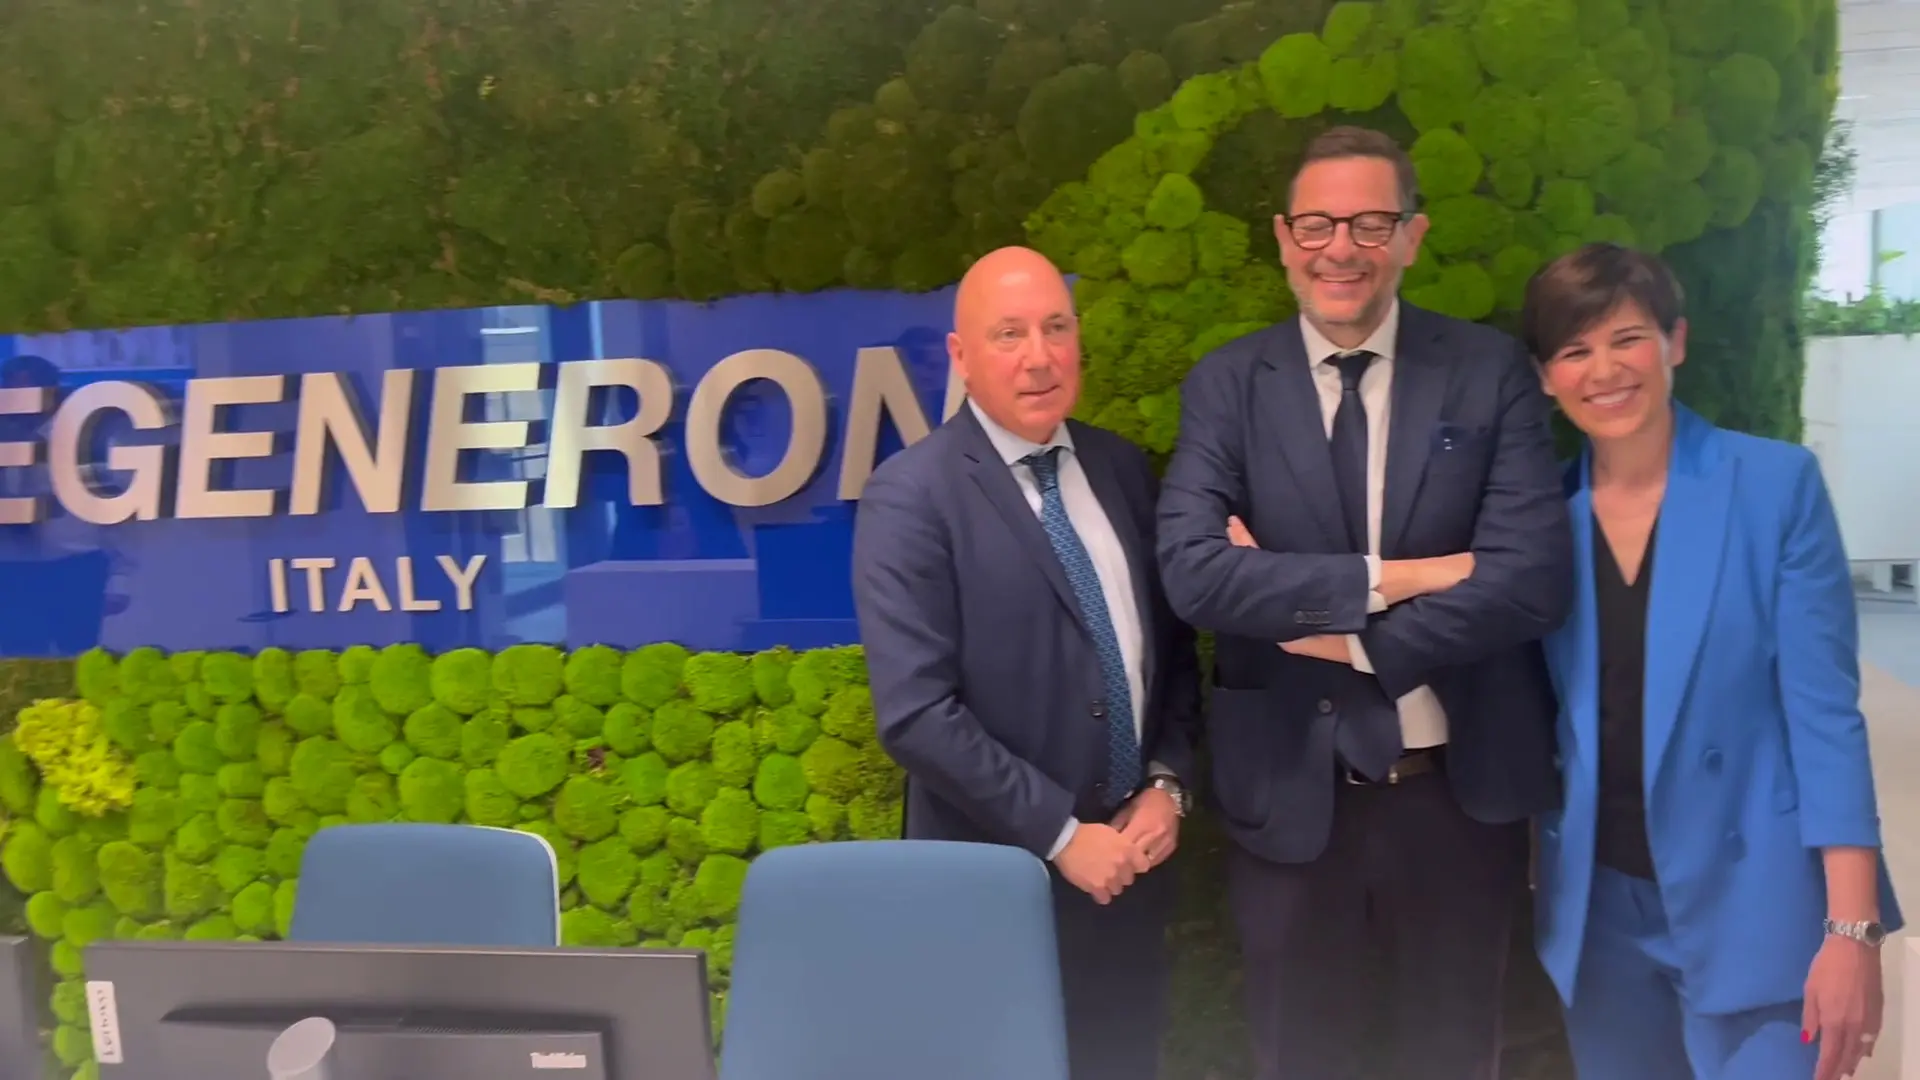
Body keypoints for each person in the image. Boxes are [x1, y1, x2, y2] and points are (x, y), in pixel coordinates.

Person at [1155, 125, 1574, 1080]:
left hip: (1458, 799)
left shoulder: (1486, 372)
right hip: (1289, 797)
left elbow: (1530, 578)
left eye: (1370, 223)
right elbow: (1194, 572)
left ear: (1412, 236)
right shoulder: (1228, 385)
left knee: (1454, 1057)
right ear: (1283, 238)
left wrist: (1358, 645)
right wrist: (1398, 577)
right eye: (1317, 224)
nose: (1340, 248)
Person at [1522, 241, 1904, 1080]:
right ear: (1547, 377)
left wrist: (1852, 929)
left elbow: (1824, 721)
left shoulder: (1773, 486)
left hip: (1756, 902)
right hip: (1600, 912)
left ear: (1676, 341)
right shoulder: (1539, 514)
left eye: (1627, 338)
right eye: (1575, 350)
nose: (1604, 370)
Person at [851, 245, 1202, 1080]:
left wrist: (1169, 783)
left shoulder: (1122, 470)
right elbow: (916, 714)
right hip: (993, 889)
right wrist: (1061, 834)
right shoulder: (912, 497)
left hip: (1129, 881)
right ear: (962, 356)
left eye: (1056, 328)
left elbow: (1175, 654)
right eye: (1009, 334)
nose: (1039, 356)